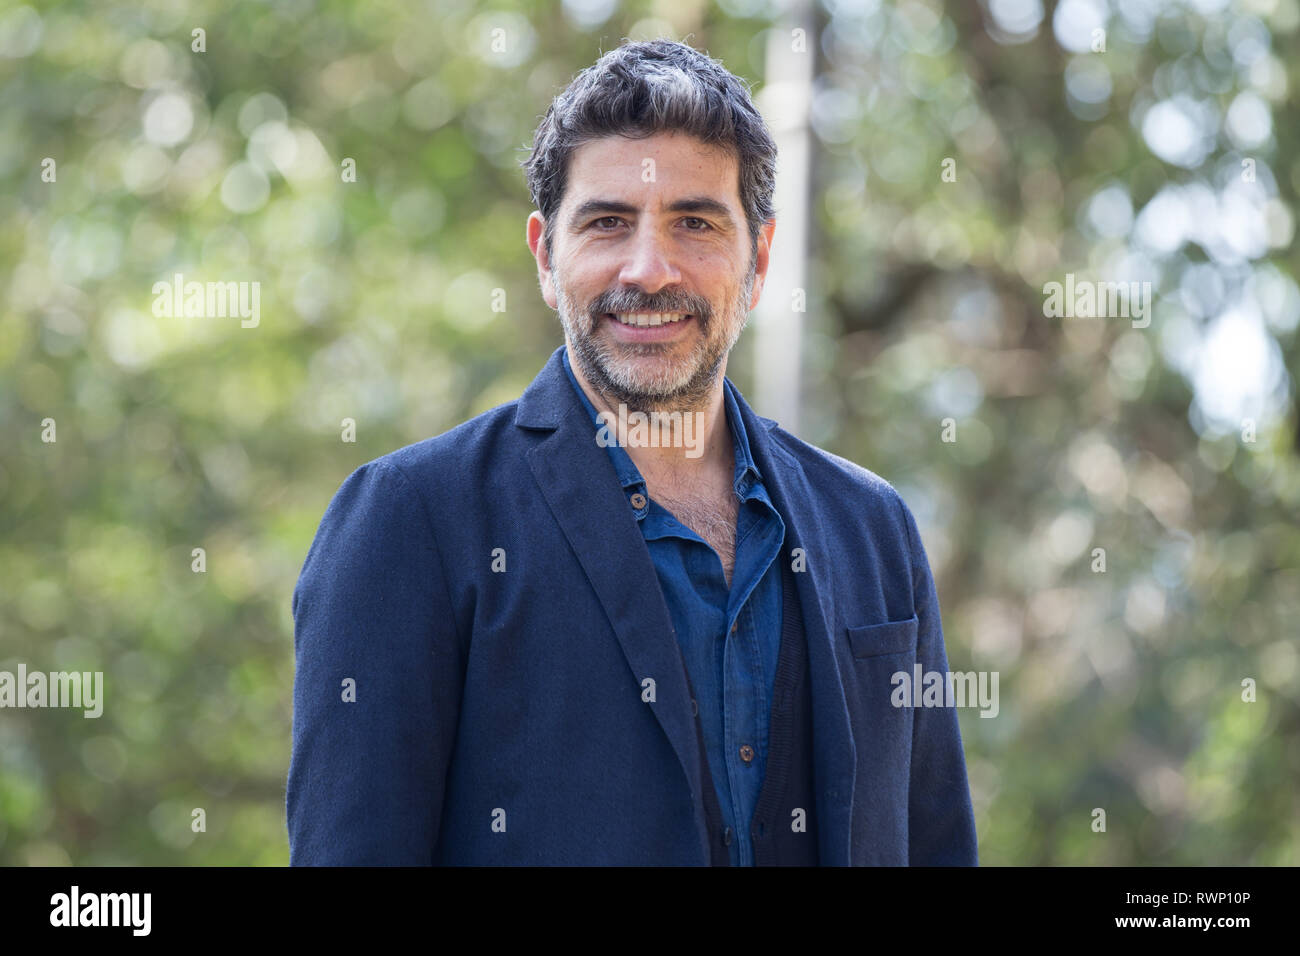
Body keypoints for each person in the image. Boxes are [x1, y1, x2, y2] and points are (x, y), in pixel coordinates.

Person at [287, 38, 977, 866]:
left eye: (695, 222)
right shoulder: (409, 521)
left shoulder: (874, 528)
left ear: (757, 262)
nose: (649, 270)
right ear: (546, 257)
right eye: (609, 222)